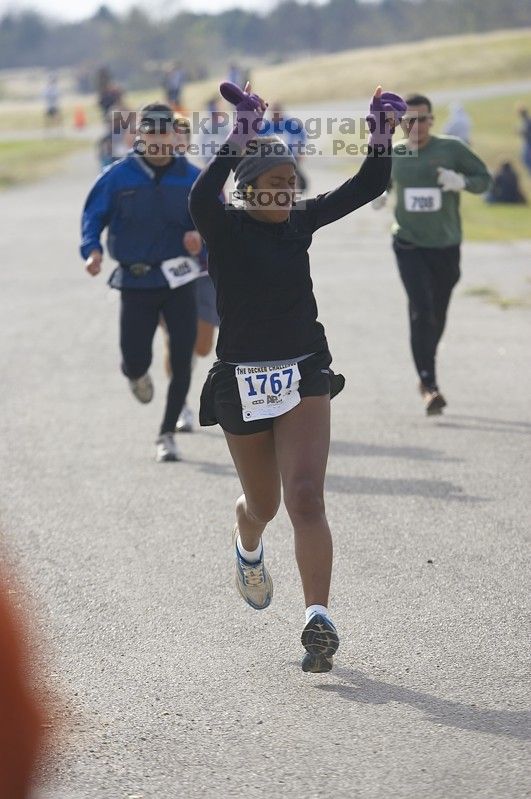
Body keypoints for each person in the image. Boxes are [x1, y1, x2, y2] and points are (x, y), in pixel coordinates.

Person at [189, 83, 405, 672]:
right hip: (241, 377)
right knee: (263, 504)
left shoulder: (298, 222)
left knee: (305, 497)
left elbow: (368, 186)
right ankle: (248, 544)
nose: (287, 194)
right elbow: (202, 193)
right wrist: (241, 132)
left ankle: (318, 617)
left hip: (304, 368)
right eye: (274, 186)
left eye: (292, 184)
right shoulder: (224, 226)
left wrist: (381, 135)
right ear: (248, 191)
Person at [80, 104, 203, 462]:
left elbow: (212, 219)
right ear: (139, 136)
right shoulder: (118, 177)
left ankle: (166, 433)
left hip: (180, 279)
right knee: (135, 360)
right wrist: (92, 251)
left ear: (174, 137)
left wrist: (200, 237)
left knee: (182, 358)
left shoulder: (193, 177)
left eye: (165, 133)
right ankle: (136, 374)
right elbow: (93, 216)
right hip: (136, 281)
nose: (157, 140)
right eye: (150, 133)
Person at [373, 93, 491, 415]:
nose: (416, 125)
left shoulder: (451, 148)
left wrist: (461, 181)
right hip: (408, 244)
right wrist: (380, 194)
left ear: (432, 121)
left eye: (422, 118)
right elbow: (377, 182)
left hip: (445, 245)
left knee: (436, 314)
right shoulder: (394, 154)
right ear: (400, 123)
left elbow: (485, 180)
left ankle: (427, 365)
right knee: (421, 309)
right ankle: (428, 382)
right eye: (409, 119)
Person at [260, 102, 309, 191]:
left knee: (293, 178)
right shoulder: (267, 126)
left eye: (278, 113)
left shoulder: (291, 124)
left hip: (290, 157)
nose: (276, 116)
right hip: (272, 159)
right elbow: (259, 141)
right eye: (274, 113)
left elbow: (302, 136)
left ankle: (294, 195)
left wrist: (301, 150)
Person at [517, 106, 531, 174]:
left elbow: (526, 132)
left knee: (527, 160)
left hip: (529, 144)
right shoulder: (526, 121)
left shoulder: (528, 121)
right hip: (527, 144)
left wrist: (520, 131)